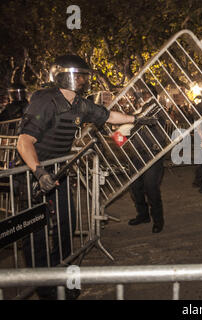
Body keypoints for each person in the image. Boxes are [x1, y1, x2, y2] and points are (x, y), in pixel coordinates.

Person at [16, 55, 154, 299]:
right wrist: (38, 171)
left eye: (83, 75)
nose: (81, 80)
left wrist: (137, 119)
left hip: (58, 172)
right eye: (77, 75)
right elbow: (24, 141)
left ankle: (66, 281)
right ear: (62, 76)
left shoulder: (81, 104)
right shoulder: (44, 101)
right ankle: (43, 287)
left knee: (67, 226)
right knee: (35, 232)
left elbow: (109, 116)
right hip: (31, 175)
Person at [127, 84, 165, 233]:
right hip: (136, 153)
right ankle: (143, 215)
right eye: (141, 93)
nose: (143, 96)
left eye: (146, 93)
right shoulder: (136, 110)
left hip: (152, 154)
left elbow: (149, 120)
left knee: (151, 188)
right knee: (135, 186)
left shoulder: (156, 108)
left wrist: (133, 118)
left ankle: (158, 220)